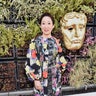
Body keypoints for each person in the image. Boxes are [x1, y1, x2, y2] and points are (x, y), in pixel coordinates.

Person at [25, 12, 67, 96]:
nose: (46, 26)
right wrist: (36, 79)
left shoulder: (56, 42)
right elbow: (31, 60)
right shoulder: (35, 42)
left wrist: (59, 66)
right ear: (40, 25)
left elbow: (61, 59)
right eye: (43, 23)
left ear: (53, 26)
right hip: (40, 81)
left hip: (55, 81)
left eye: (49, 23)